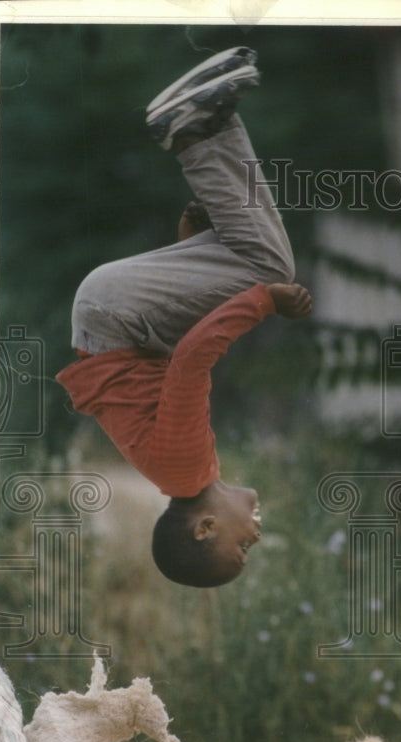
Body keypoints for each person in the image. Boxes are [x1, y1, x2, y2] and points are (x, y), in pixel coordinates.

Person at [56, 47, 312, 588]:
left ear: (205, 528)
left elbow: (194, 359)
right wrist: (194, 254)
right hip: (119, 321)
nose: (258, 535)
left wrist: (266, 301)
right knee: (252, 258)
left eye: (242, 545)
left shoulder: (186, 469)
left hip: (116, 314)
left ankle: (193, 129)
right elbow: (164, 365)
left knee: (270, 270)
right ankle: (211, 121)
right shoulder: (183, 470)